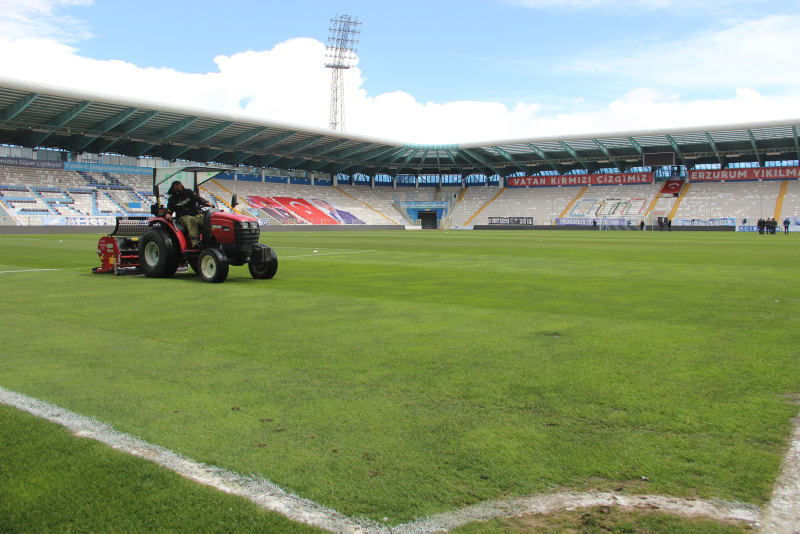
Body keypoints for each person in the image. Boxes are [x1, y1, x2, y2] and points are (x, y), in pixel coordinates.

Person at [165, 181, 212, 249]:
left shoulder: (189, 192)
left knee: (206, 222)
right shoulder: (172, 200)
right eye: (177, 188)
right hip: (183, 217)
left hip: (195, 214)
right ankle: (195, 242)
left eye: (180, 187)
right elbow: (169, 209)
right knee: (191, 220)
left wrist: (206, 202)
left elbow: (198, 199)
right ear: (173, 189)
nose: (179, 189)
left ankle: (209, 241)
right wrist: (167, 214)